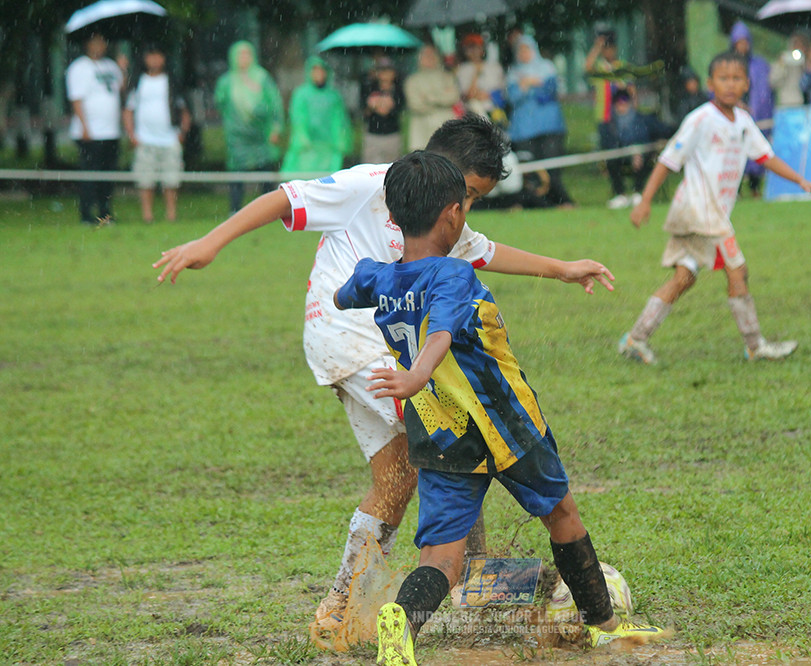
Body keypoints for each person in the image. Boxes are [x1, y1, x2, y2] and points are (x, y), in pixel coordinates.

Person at [152, 114, 616, 626]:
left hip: (372, 351)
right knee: (456, 438)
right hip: (352, 338)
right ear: (443, 179)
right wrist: (210, 242)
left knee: (398, 473)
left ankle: (341, 606)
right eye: (469, 194)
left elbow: (486, 252)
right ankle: (472, 581)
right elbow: (285, 197)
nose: (468, 208)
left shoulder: (441, 218)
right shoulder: (375, 185)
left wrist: (563, 269)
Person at [332, 151, 665, 665]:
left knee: (441, 557)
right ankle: (604, 625)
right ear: (454, 214)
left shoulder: (378, 276)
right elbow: (441, 330)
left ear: (392, 218)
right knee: (562, 513)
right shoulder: (454, 275)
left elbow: (343, 295)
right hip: (505, 424)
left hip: (439, 434)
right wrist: (417, 373)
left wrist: (366, 284)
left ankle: (401, 625)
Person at [619, 52, 811, 365]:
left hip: (704, 214)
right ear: (711, 83)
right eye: (723, 79)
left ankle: (636, 338)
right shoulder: (700, 119)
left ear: (747, 83)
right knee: (738, 270)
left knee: (684, 278)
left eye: (736, 78)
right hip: (700, 211)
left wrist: (799, 180)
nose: (730, 84)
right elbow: (670, 160)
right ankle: (755, 346)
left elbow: (765, 157)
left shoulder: (743, 121)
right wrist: (645, 200)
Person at [123, 44, 191, 223]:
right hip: (145, 139)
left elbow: (184, 110)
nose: (154, 60)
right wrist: (132, 134)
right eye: (150, 56)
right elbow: (128, 110)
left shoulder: (172, 82)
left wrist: (182, 132)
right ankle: (147, 215)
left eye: (158, 56)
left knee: (171, 180)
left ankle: (171, 215)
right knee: (145, 180)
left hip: (169, 139)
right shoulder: (138, 82)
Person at [214, 41, 284, 214]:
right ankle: (235, 211)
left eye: (247, 54)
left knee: (265, 172)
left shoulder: (262, 77)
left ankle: (269, 211)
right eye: (240, 55)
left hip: (261, 136)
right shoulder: (227, 81)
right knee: (237, 175)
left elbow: (275, 104)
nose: (244, 59)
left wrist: (276, 128)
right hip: (237, 138)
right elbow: (220, 103)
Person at [506, 35, 575, 208]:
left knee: (552, 167)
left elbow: (549, 93)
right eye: (520, 50)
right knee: (530, 170)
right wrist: (531, 85)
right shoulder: (513, 73)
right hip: (524, 130)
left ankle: (561, 200)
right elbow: (512, 98)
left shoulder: (547, 68)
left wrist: (528, 85)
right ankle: (539, 203)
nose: (524, 54)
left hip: (550, 127)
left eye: (527, 49)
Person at [66, 31, 124, 225]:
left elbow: (121, 90)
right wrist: (85, 126)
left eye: (102, 42)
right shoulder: (79, 67)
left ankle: (105, 213)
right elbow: (76, 99)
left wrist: (123, 69)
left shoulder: (111, 66)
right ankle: (86, 213)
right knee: (90, 174)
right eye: (95, 42)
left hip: (111, 132)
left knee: (107, 175)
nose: (99, 46)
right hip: (91, 133)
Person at [584, 30, 637, 209]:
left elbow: (632, 92)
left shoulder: (622, 66)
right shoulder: (599, 67)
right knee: (610, 156)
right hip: (605, 117)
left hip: (623, 119)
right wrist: (597, 46)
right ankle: (619, 192)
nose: (608, 52)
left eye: (609, 48)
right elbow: (587, 66)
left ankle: (636, 190)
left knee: (630, 153)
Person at [281, 55, 352, 175]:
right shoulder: (301, 94)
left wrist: (341, 141)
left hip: (329, 149)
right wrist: (302, 139)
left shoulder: (333, 96)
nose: (318, 74)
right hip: (306, 149)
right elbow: (298, 119)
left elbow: (339, 121)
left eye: (321, 70)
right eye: (315, 70)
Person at [729, 22, 774, 198]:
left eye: (745, 42)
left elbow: (764, 92)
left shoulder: (759, 65)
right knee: (735, 154)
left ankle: (755, 189)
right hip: (734, 117)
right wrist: (736, 103)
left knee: (758, 152)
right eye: (739, 42)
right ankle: (735, 191)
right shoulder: (727, 65)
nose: (742, 46)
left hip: (755, 117)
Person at [404, 45, 461, 152]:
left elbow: (453, 97)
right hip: (421, 130)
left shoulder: (447, 77)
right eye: (426, 55)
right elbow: (415, 104)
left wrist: (429, 98)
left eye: (432, 55)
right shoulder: (412, 80)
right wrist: (441, 99)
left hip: (444, 129)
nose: (429, 58)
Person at [602, 89, 653, 206]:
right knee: (611, 161)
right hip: (619, 156)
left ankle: (637, 192)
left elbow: (648, 136)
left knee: (647, 159)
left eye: (624, 102)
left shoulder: (641, 119)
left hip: (640, 155)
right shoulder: (609, 124)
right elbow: (608, 143)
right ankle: (621, 194)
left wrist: (638, 151)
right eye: (618, 102)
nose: (622, 105)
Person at [361, 58, 405, 164]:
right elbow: (363, 111)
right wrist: (374, 106)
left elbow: (398, 109)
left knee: (392, 167)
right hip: (373, 134)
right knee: (370, 168)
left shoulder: (398, 90)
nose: (385, 74)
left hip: (392, 134)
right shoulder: (369, 88)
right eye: (382, 71)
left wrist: (382, 105)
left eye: (388, 71)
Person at [455, 33, 506, 123]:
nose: (474, 51)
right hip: (474, 115)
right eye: (470, 48)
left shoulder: (494, 67)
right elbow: (468, 95)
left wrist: (489, 95)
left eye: (477, 47)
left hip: (496, 111)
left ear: (482, 49)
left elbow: (503, 91)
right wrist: (476, 73)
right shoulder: (462, 70)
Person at [769, 32, 809, 107]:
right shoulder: (785, 60)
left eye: (802, 45)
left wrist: (808, 62)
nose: (799, 48)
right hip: (788, 104)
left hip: (806, 106)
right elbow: (773, 82)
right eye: (796, 44)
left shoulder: (809, 62)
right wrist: (781, 64)